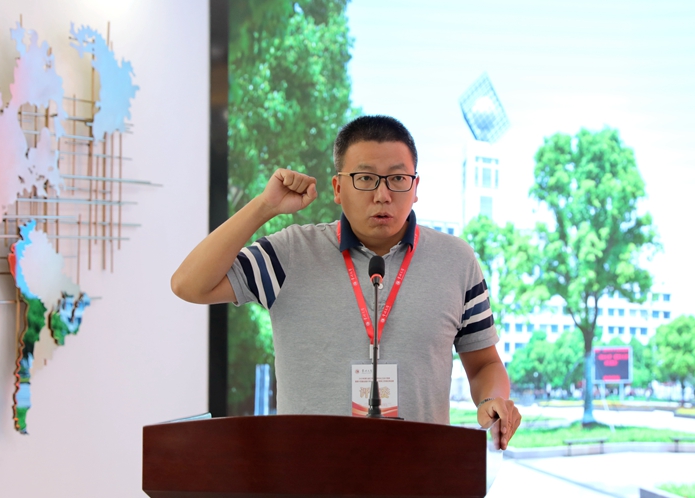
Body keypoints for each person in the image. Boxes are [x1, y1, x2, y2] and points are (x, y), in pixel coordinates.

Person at [172, 115, 521, 449]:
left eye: (397, 178)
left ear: (415, 187)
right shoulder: (291, 253)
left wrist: (491, 401)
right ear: (338, 188)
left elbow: (484, 363)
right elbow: (189, 284)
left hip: (420, 474)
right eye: (365, 178)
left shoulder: (456, 261)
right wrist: (265, 206)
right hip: (308, 475)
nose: (382, 195)